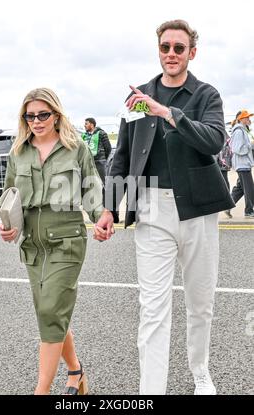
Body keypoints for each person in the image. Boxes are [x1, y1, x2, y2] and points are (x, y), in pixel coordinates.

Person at [94, 19, 234, 395]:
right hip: (152, 207)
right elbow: (120, 157)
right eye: (165, 47)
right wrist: (109, 207)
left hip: (198, 208)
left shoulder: (207, 95)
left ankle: (200, 372)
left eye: (178, 47)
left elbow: (213, 140)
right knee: (153, 308)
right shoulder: (137, 95)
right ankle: (150, 390)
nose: (171, 54)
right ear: (158, 49)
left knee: (200, 302)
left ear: (192, 52)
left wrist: (167, 112)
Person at [0, 87, 111, 395]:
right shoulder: (18, 152)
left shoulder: (76, 148)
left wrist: (100, 217)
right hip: (32, 245)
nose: (36, 121)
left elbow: (92, 191)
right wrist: (3, 226)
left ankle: (41, 391)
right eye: (30, 116)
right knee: (51, 315)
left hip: (67, 240)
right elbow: (9, 198)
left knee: (50, 312)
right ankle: (76, 372)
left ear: (57, 115)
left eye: (43, 114)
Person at [229, 110, 254, 218]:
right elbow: (237, 149)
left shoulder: (243, 130)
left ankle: (227, 206)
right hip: (242, 165)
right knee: (249, 188)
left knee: (240, 189)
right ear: (242, 119)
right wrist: (250, 146)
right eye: (247, 117)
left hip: (243, 164)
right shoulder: (239, 131)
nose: (249, 119)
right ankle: (249, 211)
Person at [82, 118, 112, 184]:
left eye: (86, 124)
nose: (84, 125)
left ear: (92, 125)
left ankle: (104, 194)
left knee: (102, 182)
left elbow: (108, 148)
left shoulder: (101, 133)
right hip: (88, 162)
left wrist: (103, 159)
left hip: (99, 162)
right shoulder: (84, 135)